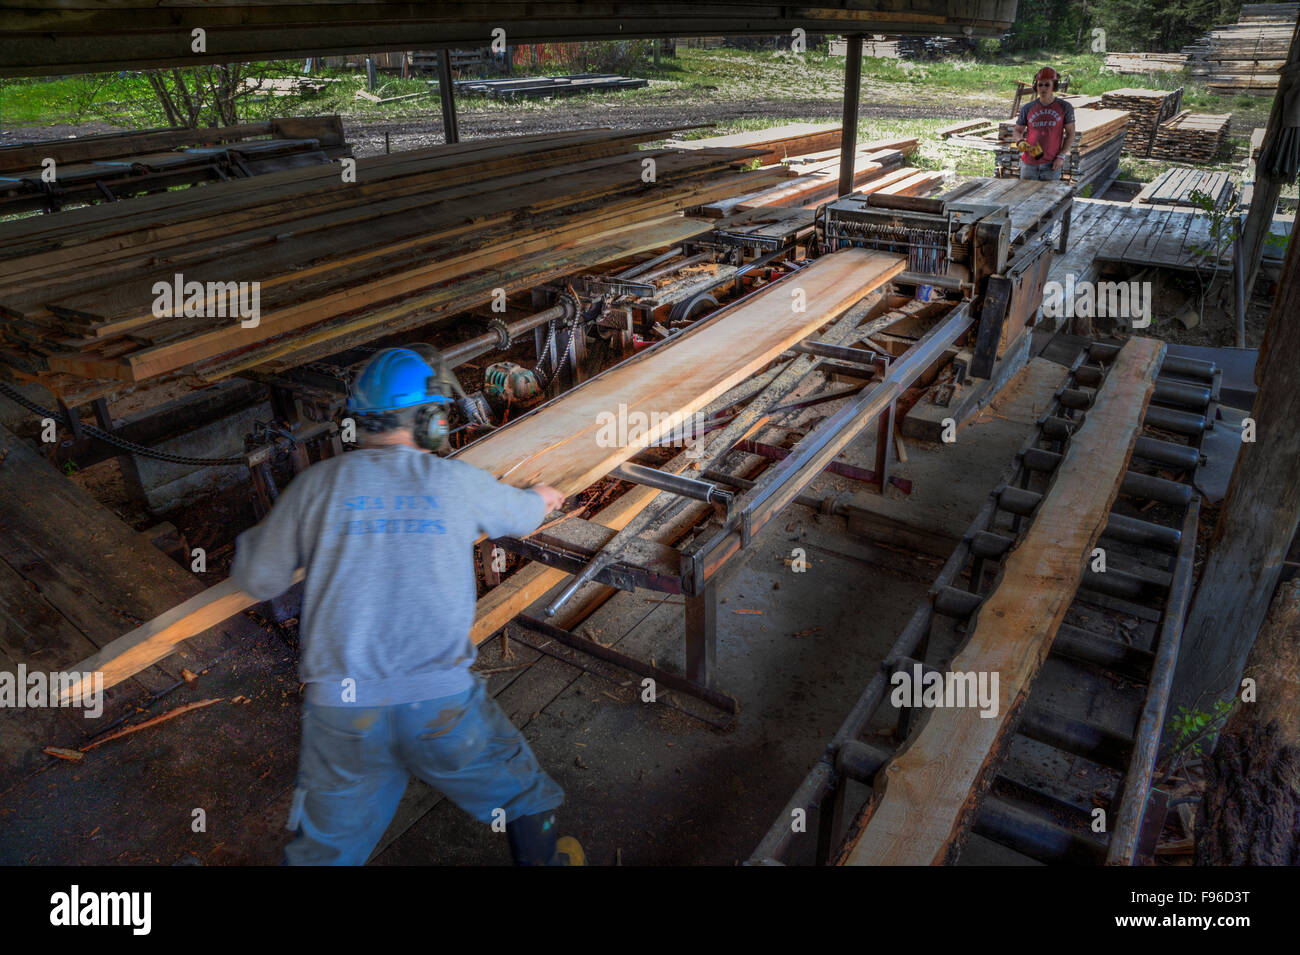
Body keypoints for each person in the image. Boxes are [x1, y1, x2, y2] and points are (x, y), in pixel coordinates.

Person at [230, 346, 583, 866]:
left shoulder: (316, 488)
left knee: (324, 853)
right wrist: (544, 496)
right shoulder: (455, 483)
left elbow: (257, 577)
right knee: (521, 795)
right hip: (440, 704)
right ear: (432, 422)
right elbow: (522, 515)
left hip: (343, 713)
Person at [1013, 67, 1075, 182]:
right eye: (1040, 85)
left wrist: (1061, 156)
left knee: (1049, 197)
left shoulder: (1065, 107)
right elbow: (1017, 130)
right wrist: (1020, 142)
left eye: (1047, 85)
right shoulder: (1028, 108)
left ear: (1054, 87)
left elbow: (1070, 133)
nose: (1043, 88)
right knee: (1025, 196)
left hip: (1051, 164)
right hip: (1028, 164)